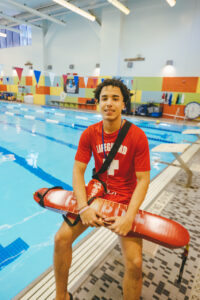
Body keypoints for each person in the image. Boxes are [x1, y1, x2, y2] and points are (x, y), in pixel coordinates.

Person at [54, 78, 151, 300]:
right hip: (97, 194)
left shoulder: (137, 136)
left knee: (135, 263)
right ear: (98, 103)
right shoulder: (89, 133)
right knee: (61, 238)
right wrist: (83, 207)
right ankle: (61, 296)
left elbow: (143, 179)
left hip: (125, 201)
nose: (109, 103)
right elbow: (78, 171)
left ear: (123, 104)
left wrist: (129, 216)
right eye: (104, 98)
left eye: (115, 98)